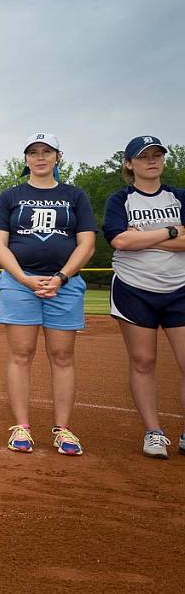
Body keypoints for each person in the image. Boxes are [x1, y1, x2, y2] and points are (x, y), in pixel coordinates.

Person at [0, 133, 96, 455]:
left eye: (46, 152)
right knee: (21, 354)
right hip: (20, 284)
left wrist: (62, 277)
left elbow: (87, 243)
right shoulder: (11, 196)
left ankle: (63, 430)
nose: (40, 157)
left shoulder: (75, 196)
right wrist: (23, 278)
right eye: (33, 152)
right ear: (25, 159)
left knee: (62, 356)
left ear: (57, 157)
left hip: (63, 284)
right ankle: (21, 427)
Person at [103, 135, 185, 458]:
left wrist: (145, 239)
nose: (152, 161)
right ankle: (154, 432)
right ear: (129, 164)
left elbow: (133, 239)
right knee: (143, 361)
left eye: (157, 155)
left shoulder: (179, 197)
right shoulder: (119, 199)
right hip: (133, 288)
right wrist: (170, 232)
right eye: (144, 156)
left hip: (180, 288)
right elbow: (119, 241)